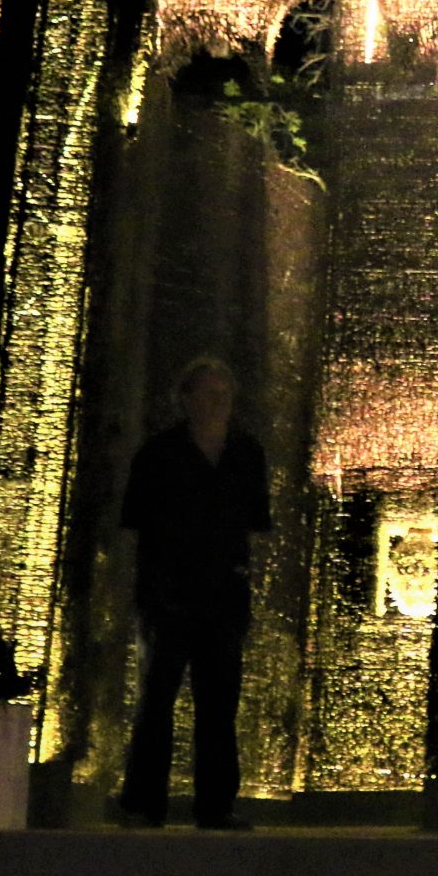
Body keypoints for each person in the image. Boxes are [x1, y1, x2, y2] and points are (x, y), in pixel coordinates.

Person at [115, 355, 271, 830]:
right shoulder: (159, 454)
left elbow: (257, 525)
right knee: (157, 699)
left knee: (219, 703)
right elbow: (134, 525)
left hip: (223, 593)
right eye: (207, 391)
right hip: (167, 592)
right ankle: (145, 803)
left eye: (224, 392)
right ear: (185, 398)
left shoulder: (246, 453)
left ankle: (216, 804)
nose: (217, 401)